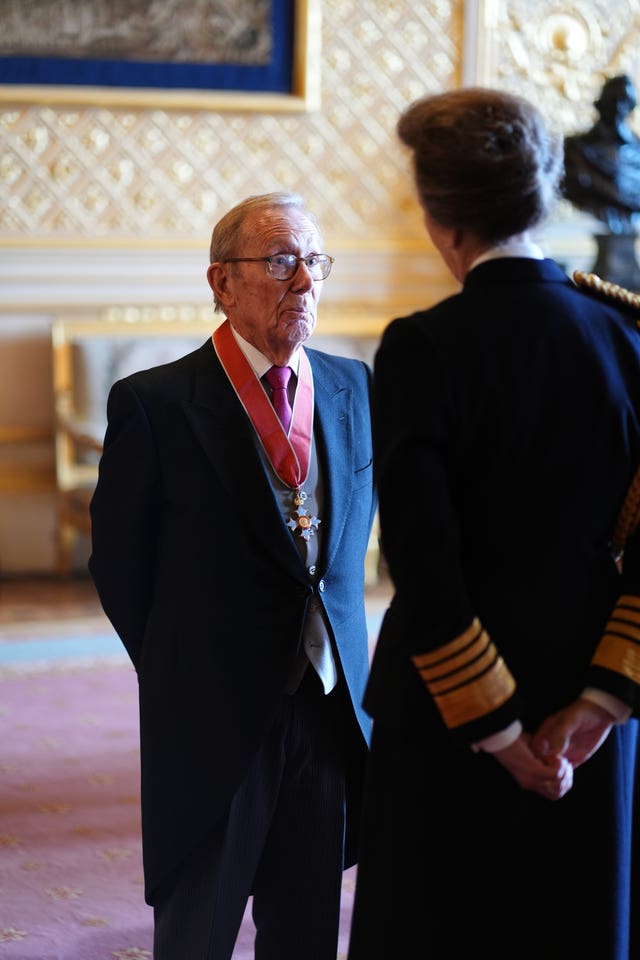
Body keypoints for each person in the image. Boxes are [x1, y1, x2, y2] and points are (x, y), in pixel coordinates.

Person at [347, 88, 640, 960]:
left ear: (440, 217)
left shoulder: (425, 344)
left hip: (451, 720)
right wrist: (599, 699)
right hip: (592, 712)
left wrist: (501, 732)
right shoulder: (626, 335)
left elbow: (421, 560)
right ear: (542, 190)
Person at [88, 191, 377, 960]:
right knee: (197, 934)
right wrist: (183, 666)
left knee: (308, 930)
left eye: (314, 262)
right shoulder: (156, 404)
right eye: (280, 261)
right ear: (221, 282)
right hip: (213, 716)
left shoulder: (354, 388)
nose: (304, 282)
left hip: (327, 707)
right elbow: (119, 564)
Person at [563, 73, 640, 234]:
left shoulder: (636, 151)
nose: (618, 107)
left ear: (631, 107)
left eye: (624, 100)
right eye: (613, 100)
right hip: (597, 218)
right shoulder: (576, 149)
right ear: (601, 104)